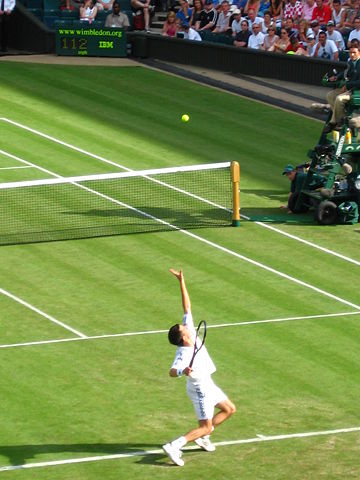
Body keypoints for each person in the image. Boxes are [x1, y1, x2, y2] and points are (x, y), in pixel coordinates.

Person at [162, 269, 236, 467]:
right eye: (183, 327)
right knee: (205, 426)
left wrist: (181, 281)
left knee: (229, 409)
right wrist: (181, 371)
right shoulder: (183, 355)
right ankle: (174, 445)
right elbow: (171, 372)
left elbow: (187, 307)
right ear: (183, 336)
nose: (185, 325)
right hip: (199, 390)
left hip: (208, 383)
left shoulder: (190, 333)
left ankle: (203, 437)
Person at [324, 44, 360, 132]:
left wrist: (347, 85)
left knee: (339, 99)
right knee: (330, 95)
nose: (352, 55)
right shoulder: (351, 62)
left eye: (354, 52)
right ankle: (343, 118)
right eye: (350, 52)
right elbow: (346, 72)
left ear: (359, 52)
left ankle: (333, 122)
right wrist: (337, 77)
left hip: (357, 92)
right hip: (349, 89)